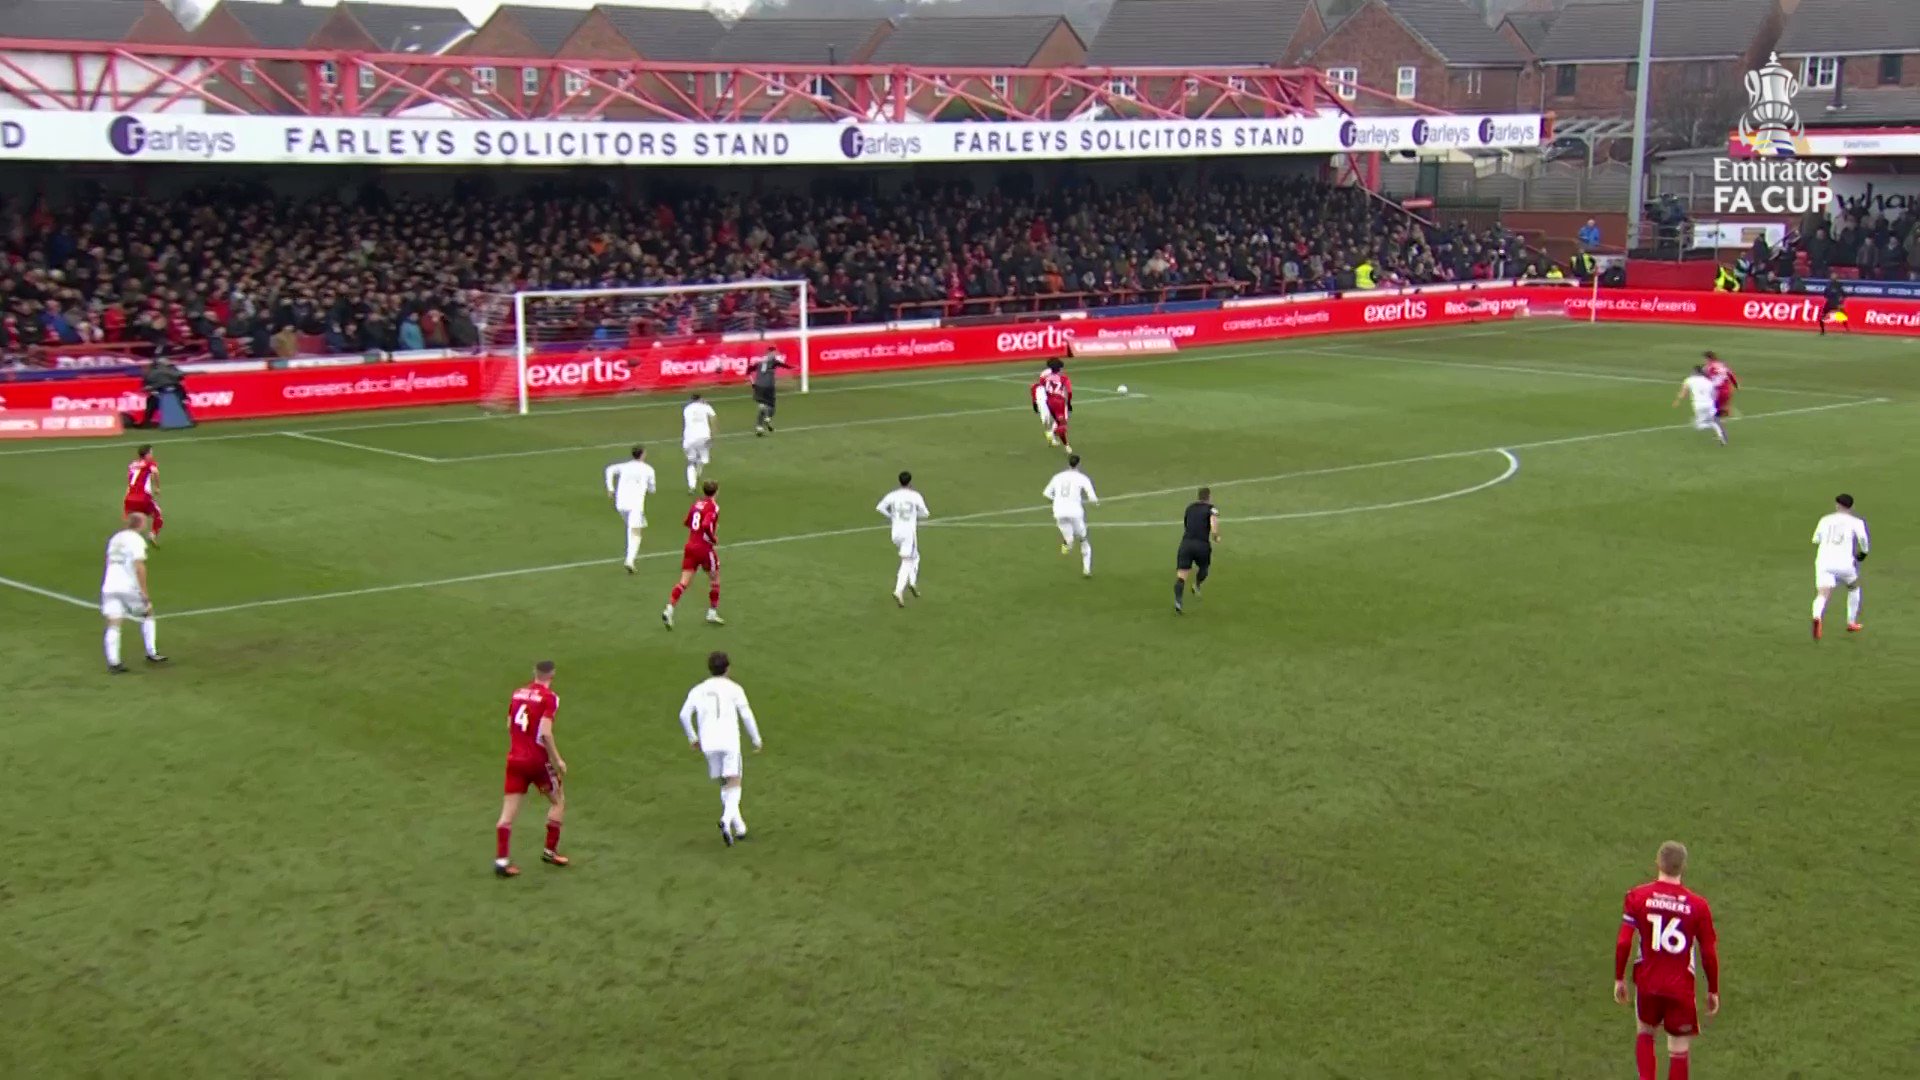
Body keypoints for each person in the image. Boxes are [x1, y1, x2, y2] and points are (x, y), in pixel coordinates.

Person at [1614, 841, 1719, 1080]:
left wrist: (1619, 978)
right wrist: (1713, 990)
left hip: (1648, 983)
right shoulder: (1699, 906)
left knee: (1645, 1033)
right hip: (1680, 988)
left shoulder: (1637, 896)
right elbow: (1709, 952)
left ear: (1657, 863)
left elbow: (1623, 942)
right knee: (1679, 1049)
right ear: (1683, 867)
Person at [678, 650, 763, 845]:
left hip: (708, 741)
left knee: (726, 783)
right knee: (735, 781)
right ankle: (726, 820)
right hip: (729, 740)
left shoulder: (698, 689)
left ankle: (739, 826)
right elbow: (746, 714)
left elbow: (684, 715)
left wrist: (693, 737)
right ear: (728, 668)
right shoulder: (735, 689)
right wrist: (756, 739)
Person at [494, 660, 568, 877]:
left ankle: (501, 861)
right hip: (535, 760)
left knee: (507, 813)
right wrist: (558, 760)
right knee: (558, 800)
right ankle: (550, 850)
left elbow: (510, 724)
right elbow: (545, 732)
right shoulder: (549, 698)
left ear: (534, 673)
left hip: (514, 759)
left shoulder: (517, 693)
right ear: (552, 675)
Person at [100, 512, 165, 674]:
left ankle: (113, 663)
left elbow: (108, 561)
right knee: (147, 612)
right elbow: (139, 566)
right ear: (141, 524)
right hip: (128, 587)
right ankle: (152, 653)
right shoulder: (136, 540)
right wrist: (144, 592)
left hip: (109, 586)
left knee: (114, 623)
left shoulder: (115, 538)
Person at [663, 480, 724, 630]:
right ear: (716, 492)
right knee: (715, 579)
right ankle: (712, 612)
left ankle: (669, 608)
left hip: (690, 546)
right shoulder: (713, 507)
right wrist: (713, 537)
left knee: (684, 582)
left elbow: (687, 522)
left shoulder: (696, 504)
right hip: (704, 548)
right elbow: (705, 524)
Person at [1810, 493, 1869, 640]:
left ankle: (1817, 616)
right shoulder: (1856, 522)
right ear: (1851, 507)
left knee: (1822, 593)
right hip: (1844, 563)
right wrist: (1863, 553)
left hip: (1824, 561)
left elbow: (1815, 539)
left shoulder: (1825, 519)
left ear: (1837, 505)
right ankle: (1851, 622)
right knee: (1854, 587)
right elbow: (1863, 539)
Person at [875, 470, 930, 606]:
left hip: (895, 532)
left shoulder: (893, 495)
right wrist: (914, 515)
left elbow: (880, 507)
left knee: (915, 556)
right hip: (908, 533)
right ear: (910, 482)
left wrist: (892, 516)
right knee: (907, 561)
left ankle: (912, 582)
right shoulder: (915, 496)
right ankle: (898, 590)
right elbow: (925, 513)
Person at [1043, 454, 1098, 577]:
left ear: (1068, 463)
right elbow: (1092, 497)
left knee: (1069, 539)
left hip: (1059, 511)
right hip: (1075, 512)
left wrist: (1056, 500)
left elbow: (1046, 493)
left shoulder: (1057, 477)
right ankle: (1086, 570)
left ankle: (1067, 543)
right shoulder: (1082, 478)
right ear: (1079, 464)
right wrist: (1096, 502)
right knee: (1083, 539)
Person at [604, 445, 657, 573]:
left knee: (632, 529)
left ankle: (630, 558)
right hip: (635, 505)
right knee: (635, 533)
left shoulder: (625, 466)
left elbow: (609, 469)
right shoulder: (648, 469)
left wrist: (610, 488)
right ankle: (630, 560)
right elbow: (652, 489)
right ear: (643, 454)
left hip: (621, 503)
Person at [1174, 488, 1218, 614]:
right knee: (1204, 568)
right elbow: (1214, 526)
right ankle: (1197, 585)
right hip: (1202, 545)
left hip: (1186, 544)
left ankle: (1178, 601)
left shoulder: (1189, 507)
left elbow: (1186, 523)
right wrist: (1216, 536)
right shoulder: (1211, 509)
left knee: (1182, 576)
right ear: (1209, 497)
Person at [1671, 366, 1726, 446]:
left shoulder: (1689, 380)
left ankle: (1714, 426)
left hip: (1699, 405)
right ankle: (1720, 434)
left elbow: (1683, 393)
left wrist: (1677, 401)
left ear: (1695, 372)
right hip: (1710, 404)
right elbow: (1714, 395)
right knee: (1712, 420)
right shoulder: (1708, 382)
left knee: (1699, 426)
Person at [123, 445, 163, 543]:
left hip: (129, 498)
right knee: (157, 514)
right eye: (151, 453)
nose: (152, 455)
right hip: (143, 497)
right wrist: (157, 487)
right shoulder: (150, 463)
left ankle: (127, 538)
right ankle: (152, 534)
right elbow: (156, 472)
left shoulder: (132, 464)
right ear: (147, 454)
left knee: (135, 520)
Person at [681, 392, 717, 493]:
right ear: (700, 398)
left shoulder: (687, 408)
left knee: (691, 462)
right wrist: (713, 435)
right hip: (704, 437)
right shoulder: (705, 406)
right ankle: (699, 469)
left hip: (689, 438)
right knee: (703, 460)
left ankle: (692, 486)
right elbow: (713, 417)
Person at [750, 347, 790, 436]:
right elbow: (782, 365)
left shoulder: (759, 362)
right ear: (771, 353)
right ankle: (767, 417)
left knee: (762, 406)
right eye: (774, 353)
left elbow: (748, 370)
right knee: (771, 406)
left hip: (759, 386)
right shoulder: (773, 361)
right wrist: (791, 367)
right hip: (768, 387)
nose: (775, 354)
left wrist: (752, 382)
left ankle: (759, 427)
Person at [1041, 359, 1073, 451]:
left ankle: (1053, 434)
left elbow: (1042, 386)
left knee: (1057, 420)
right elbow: (1069, 392)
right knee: (1062, 424)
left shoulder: (1045, 377)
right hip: (1059, 403)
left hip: (1049, 401)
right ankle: (1066, 446)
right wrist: (1069, 403)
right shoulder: (1064, 378)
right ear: (1059, 368)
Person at [1700, 352, 1738, 419]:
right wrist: (1736, 385)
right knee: (1721, 408)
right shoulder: (1722, 365)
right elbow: (1731, 375)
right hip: (1727, 389)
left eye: (1705, 359)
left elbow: (1705, 379)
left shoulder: (1708, 367)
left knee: (1713, 410)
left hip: (1718, 391)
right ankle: (1726, 416)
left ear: (1708, 358)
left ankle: (1720, 421)